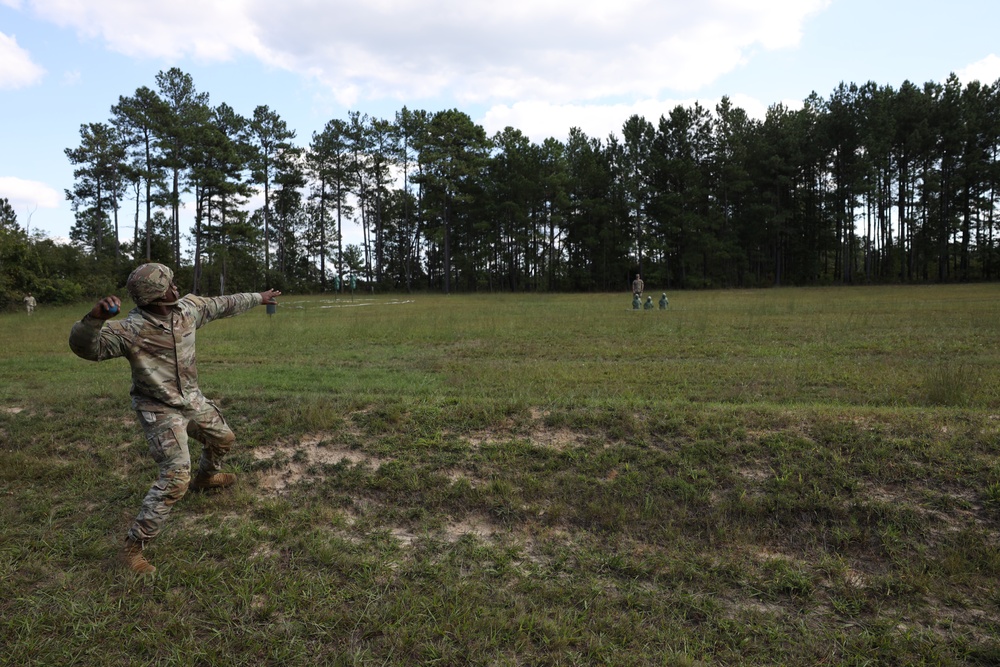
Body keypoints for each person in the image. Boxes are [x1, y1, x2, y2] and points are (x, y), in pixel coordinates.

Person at [68, 263, 281, 574]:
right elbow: (87, 348)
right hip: (158, 409)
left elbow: (223, 304)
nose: (176, 288)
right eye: (169, 285)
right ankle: (133, 548)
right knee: (175, 478)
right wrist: (94, 320)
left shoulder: (187, 310)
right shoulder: (130, 330)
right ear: (156, 295)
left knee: (224, 438)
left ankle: (207, 478)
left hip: (191, 401)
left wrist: (258, 297)